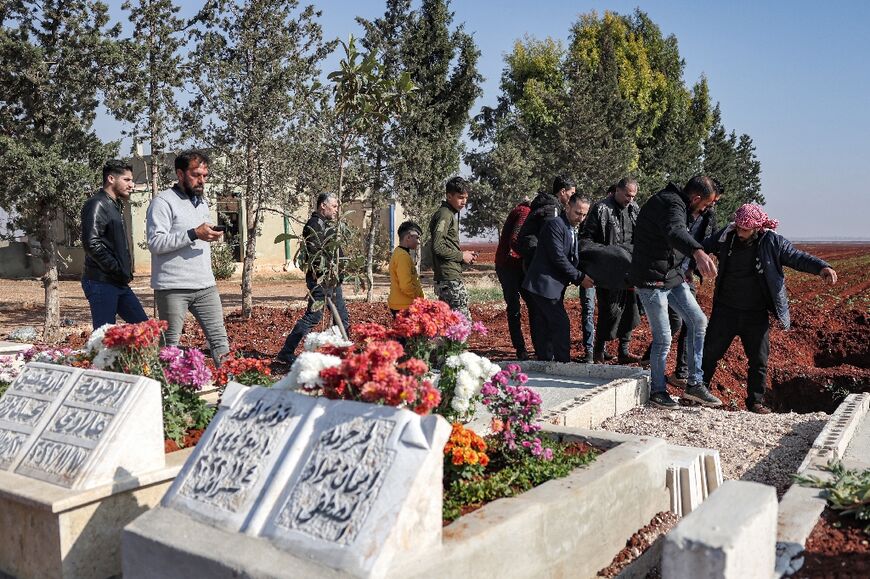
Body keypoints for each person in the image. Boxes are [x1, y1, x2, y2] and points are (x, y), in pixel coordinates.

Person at [701, 204, 837, 414]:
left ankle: (755, 401)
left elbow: (796, 257)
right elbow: (702, 246)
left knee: (759, 359)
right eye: (738, 228)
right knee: (709, 353)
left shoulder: (772, 242)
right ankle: (700, 393)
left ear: (757, 228)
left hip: (755, 313)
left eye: (745, 230)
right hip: (725, 309)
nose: (740, 232)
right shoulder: (726, 236)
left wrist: (821, 267)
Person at [629, 175, 721, 409]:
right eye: (706, 204)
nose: (707, 209)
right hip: (651, 279)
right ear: (696, 198)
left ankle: (694, 384)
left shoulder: (680, 204)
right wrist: (698, 253)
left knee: (698, 321)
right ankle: (658, 391)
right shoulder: (670, 204)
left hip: (671, 276)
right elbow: (675, 231)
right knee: (664, 337)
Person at [146, 150, 229, 365]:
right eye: (196, 174)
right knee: (170, 345)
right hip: (173, 287)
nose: (202, 180)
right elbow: (155, 243)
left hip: (205, 286)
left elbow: (199, 232)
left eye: (205, 175)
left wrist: (209, 234)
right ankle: (166, 393)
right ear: (180, 174)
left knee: (219, 340)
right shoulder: (162, 202)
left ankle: (232, 388)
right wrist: (193, 233)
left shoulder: (202, 202)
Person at [276, 192, 350, 365]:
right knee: (313, 317)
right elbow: (316, 255)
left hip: (331, 279)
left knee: (342, 316)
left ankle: (342, 353)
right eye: (334, 206)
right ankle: (286, 352)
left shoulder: (326, 225)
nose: (336, 210)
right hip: (321, 279)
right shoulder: (314, 225)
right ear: (322, 205)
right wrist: (325, 273)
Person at [521, 193, 595, 362]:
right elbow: (558, 257)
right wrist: (579, 277)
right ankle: (563, 363)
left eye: (584, 214)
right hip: (543, 285)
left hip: (553, 287)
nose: (580, 218)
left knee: (545, 325)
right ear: (568, 207)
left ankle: (547, 362)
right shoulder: (555, 225)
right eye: (577, 213)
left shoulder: (570, 228)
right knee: (560, 324)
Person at [80, 160, 148, 329]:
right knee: (104, 339)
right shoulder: (97, 204)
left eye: (131, 180)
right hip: (101, 281)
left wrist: (121, 273)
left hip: (117, 282)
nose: (131, 185)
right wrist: (117, 269)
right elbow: (91, 243)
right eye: (126, 180)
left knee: (145, 330)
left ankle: (135, 356)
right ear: (111, 179)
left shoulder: (114, 205)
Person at [581, 177, 641, 363]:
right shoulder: (601, 209)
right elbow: (586, 239)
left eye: (633, 196)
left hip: (629, 269)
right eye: (627, 195)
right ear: (617, 190)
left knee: (631, 309)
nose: (630, 199)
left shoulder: (634, 209)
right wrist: (606, 255)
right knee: (608, 311)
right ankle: (598, 351)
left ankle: (624, 351)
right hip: (607, 269)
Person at [515, 175, 576, 356]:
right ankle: (547, 354)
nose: (573, 197)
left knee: (540, 313)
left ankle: (544, 354)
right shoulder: (552, 211)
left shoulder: (544, 207)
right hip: (541, 270)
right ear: (562, 192)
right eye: (571, 193)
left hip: (533, 265)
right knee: (549, 316)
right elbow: (553, 242)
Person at [662, 204, 718, 388]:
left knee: (692, 321)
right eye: (710, 201)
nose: (712, 205)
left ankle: (682, 372)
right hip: (668, 275)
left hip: (686, 276)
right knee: (674, 322)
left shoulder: (708, 218)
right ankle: (651, 362)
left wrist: (693, 268)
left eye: (715, 201)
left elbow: (709, 242)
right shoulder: (679, 212)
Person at [429, 176, 476, 321]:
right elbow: (437, 246)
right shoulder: (445, 215)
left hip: (449, 276)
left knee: (448, 323)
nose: (464, 202)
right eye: (460, 197)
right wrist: (461, 256)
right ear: (449, 196)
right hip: (449, 278)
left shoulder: (449, 214)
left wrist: (464, 257)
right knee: (462, 322)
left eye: (466, 198)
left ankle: (447, 344)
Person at [494, 199, 532, 359]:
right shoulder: (524, 213)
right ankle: (520, 348)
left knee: (530, 302)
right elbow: (515, 240)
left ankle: (529, 346)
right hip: (508, 266)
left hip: (515, 265)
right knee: (514, 305)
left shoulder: (524, 211)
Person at [388, 220, 425, 317]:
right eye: (417, 238)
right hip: (404, 306)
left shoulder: (400, 253)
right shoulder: (402, 256)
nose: (418, 242)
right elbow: (406, 285)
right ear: (408, 237)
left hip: (402, 304)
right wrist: (418, 298)